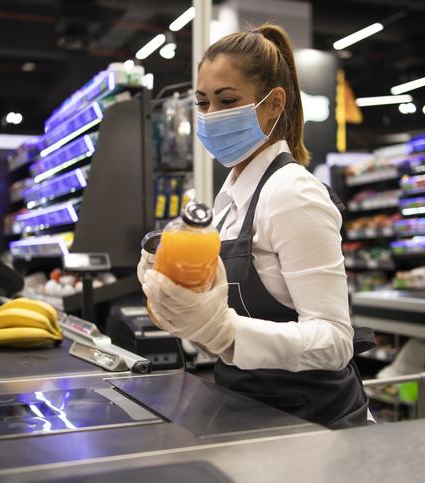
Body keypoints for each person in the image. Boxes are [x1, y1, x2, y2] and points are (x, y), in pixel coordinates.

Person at [139, 23, 375, 429]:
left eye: (226, 100)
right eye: (203, 102)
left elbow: (336, 342)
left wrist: (226, 333)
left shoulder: (293, 194)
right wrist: (180, 298)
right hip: (247, 409)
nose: (211, 116)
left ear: (273, 104)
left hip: (314, 423)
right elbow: (219, 313)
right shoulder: (229, 198)